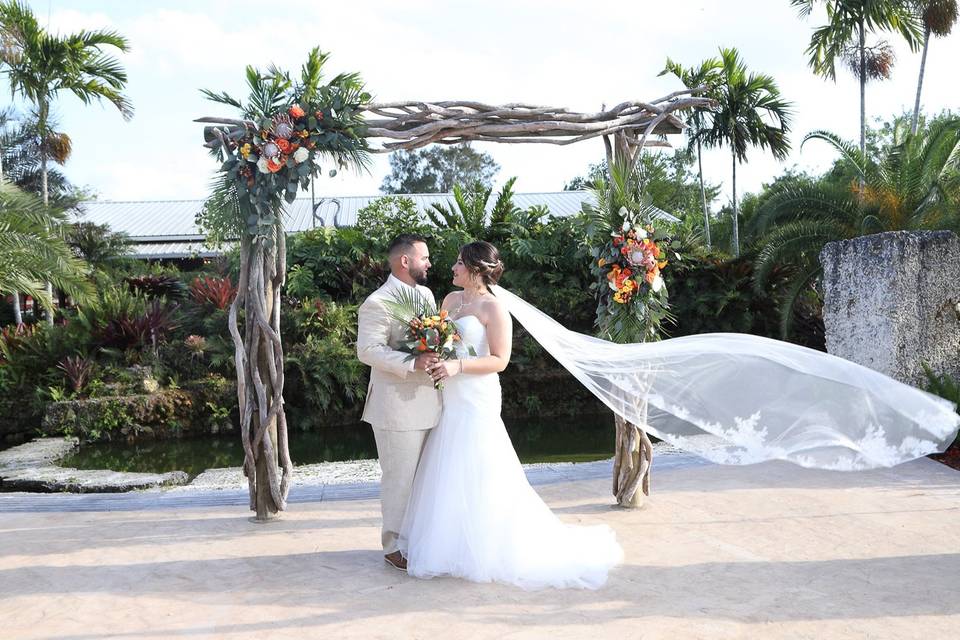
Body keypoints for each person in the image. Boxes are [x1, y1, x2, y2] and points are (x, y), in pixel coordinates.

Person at [399, 241, 625, 590]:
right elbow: (444, 341)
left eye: (460, 263)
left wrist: (457, 365)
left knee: (481, 462)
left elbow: (500, 360)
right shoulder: (449, 301)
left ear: (476, 269)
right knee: (448, 461)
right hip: (451, 394)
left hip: (477, 394)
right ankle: (450, 543)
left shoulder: (494, 308)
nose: (453, 268)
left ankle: (490, 544)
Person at [356, 234, 441, 571]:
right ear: (405, 261)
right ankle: (393, 544)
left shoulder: (427, 295)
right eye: (424, 257)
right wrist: (413, 363)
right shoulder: (378, 302)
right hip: (396, 406)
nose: (429, 263)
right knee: (400, 478)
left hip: (431, 401)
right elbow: (368, 350)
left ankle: (419, 538)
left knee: (426, 479)